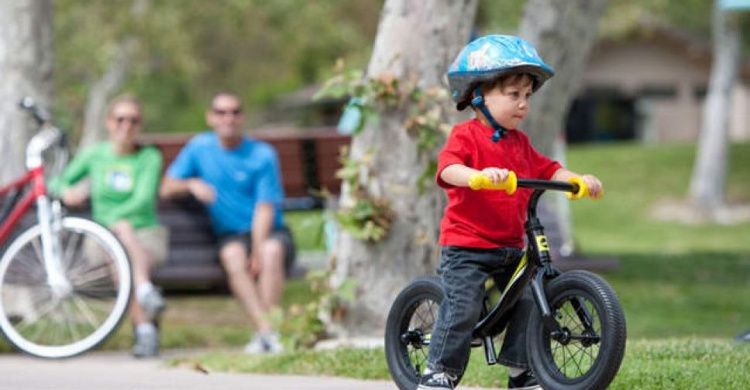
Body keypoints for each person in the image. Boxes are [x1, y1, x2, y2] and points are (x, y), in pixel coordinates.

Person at [418, 35, 604, 390]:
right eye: (512, 94)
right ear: (478, 96)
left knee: (532, 300)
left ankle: (521, 371)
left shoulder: (519, 143)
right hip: (467, 247)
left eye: (527, 97)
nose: (522, 105)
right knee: (463, 306)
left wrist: (576, 179)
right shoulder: (465, 137)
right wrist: (476, 177)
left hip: (508, 246)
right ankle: (438, 372)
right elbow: (446, 170)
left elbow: (548, 170)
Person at [159, 92, 295, 354]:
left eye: (234, 112)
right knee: (233, 255)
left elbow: (265, 207)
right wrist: (190, 183)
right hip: (230, 236)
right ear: (210, 118)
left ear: (242, 117)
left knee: (270, 252)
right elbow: (166, 187)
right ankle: (267, 332)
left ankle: (267, 333)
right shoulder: (198, 148)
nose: (228, 118)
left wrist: (256, 248)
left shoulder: (262, 154)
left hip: (269, 231)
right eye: (221, 112)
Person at [54, 95, 169, 358]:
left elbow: (142, 200)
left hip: (145, 233)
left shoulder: (149, 156)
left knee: (123, 252)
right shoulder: (94, 155)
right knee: (119, 253)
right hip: (102, 236)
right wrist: (67, 191)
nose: (126, 125)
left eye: (133, 120)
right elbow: (56, 182)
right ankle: (145, 294)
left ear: (140, 125)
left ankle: (144, 331)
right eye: (120, 119)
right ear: (109, 122)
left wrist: (118, 223)